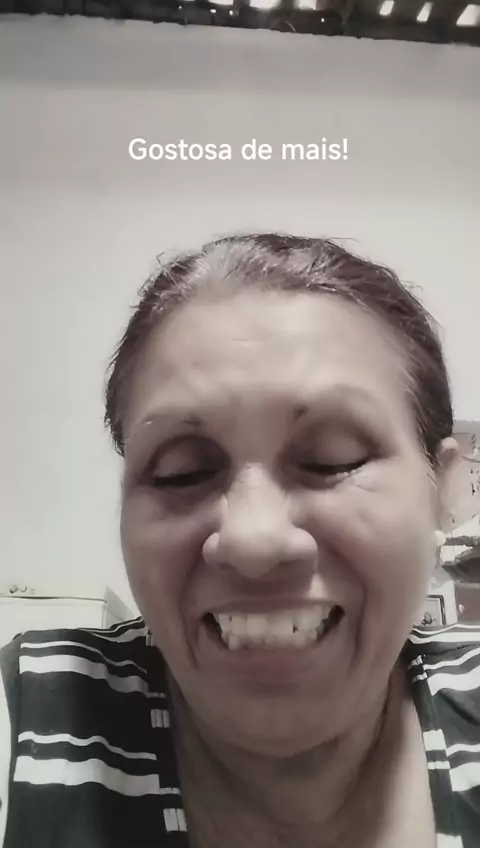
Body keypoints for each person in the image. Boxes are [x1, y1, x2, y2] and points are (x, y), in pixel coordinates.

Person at [1, 232, 479, 848]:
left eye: (333, 459)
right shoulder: (33, 723)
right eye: (182, 472)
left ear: (443, 492)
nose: (254, 540)